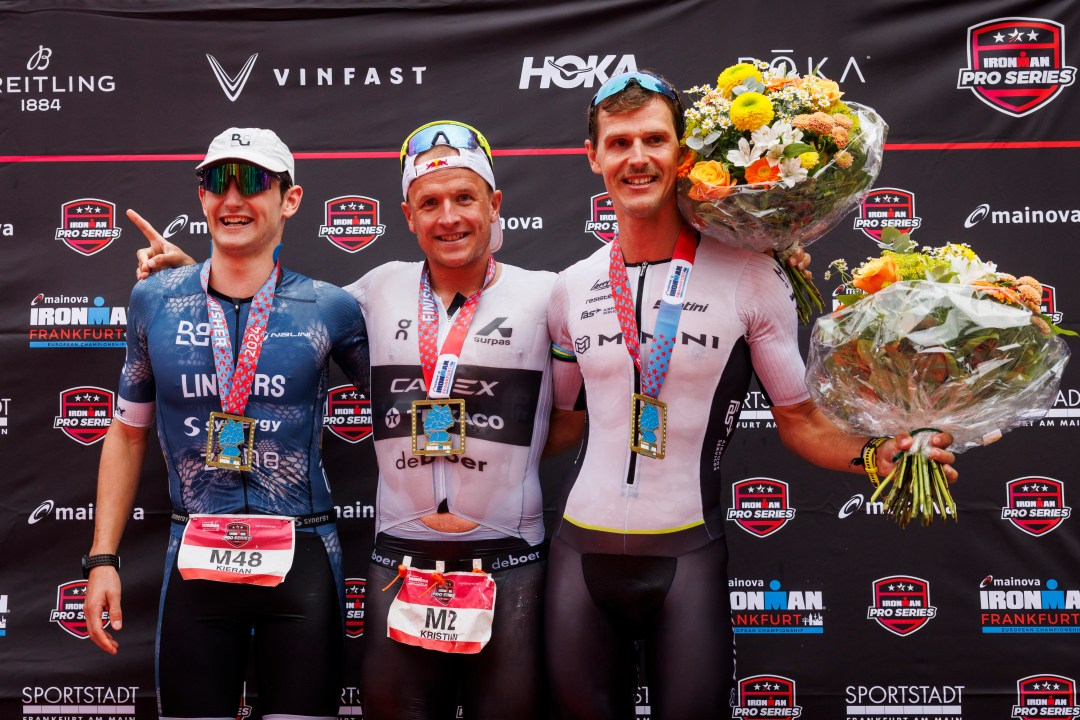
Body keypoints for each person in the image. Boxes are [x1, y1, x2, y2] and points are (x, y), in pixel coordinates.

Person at [543, 71, 959, 719]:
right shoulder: (568, 287)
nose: (637, 158)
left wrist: (875, 453)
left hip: (687, 560)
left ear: (684, 155)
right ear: (593, 156)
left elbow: (798, 419)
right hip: (576, 559)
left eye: (654, 139)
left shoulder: (752, 276)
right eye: (619, 143)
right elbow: (561, 424)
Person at [131, 121, 577, 720]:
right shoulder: (373, 291)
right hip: (399, 561)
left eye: (465, 199)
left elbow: (572, 419)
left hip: (510, 559)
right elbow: (275, 310)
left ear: (495, 205)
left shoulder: (551, 296)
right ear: (408, 215)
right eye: (430, 203)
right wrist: (197, 274)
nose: (449, 217)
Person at [83, 127, 370, 720]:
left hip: (303, 554)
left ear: (290, 200)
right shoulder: (155, 299)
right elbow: (128, 431)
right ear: (201, 197)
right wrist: (102, 559)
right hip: (196, 554)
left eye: (255, 182)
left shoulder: (330, 306)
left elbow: (402, 415)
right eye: (218, 182)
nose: (233, 199)